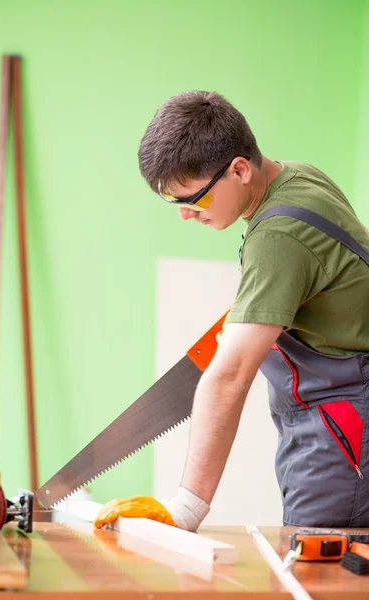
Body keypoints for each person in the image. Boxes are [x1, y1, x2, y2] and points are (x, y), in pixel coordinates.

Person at [97, 90, 369, 531]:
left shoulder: (279, 235)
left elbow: (227, 378)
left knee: (321, 580)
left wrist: (187, 507)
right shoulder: (296, 176)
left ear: (239, 169)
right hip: (338, 420)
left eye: (194, 198)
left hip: (343, 431)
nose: (185, 215)